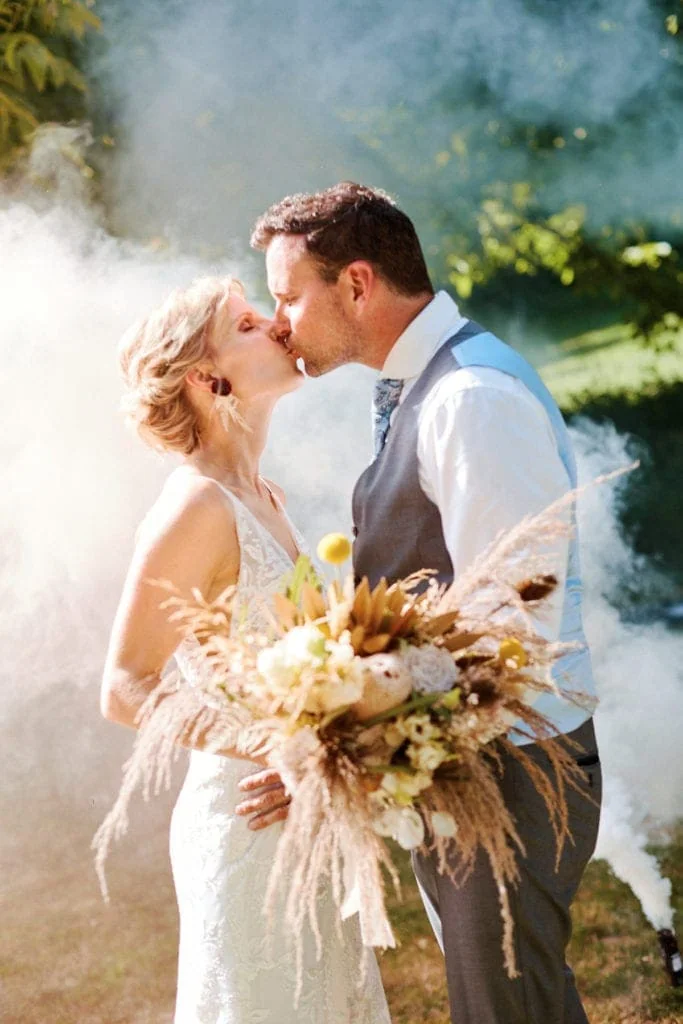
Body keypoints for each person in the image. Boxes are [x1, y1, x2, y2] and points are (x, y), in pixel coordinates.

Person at [249, 181, 602, 1024]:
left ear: (358, 283)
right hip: (473, 766)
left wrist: (352, 723)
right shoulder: (426, 387)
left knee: (502, 1008)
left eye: (287, 296)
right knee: (522, 1004)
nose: (280, 324)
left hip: (515, 772)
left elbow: (518, 622)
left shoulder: (469, 399)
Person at [99, 275, 391, 1023]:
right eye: (249, 324)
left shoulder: (264, 495)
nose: (279, 327)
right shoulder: (198, 504)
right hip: (247, 822)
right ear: (207, 378)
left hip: (305, 812)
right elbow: (124, 685)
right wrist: (278, 748)